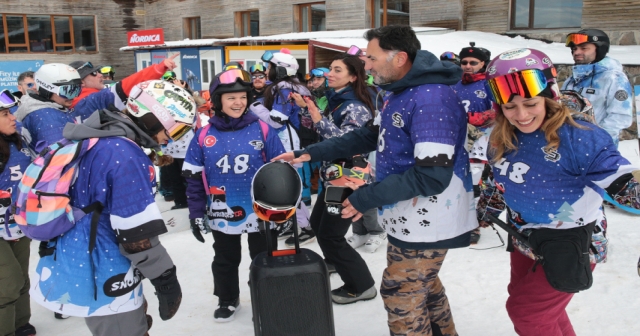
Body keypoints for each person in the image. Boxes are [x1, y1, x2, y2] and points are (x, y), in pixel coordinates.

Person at [275, 25, 473, 334]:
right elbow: (368, 135)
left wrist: (364, 196)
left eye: (371, 57)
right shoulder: (398, 93)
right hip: (409, 216)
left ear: (400, 58)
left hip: (430, 219)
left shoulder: (432, 100)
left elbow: (432, 177)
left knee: (401, 294)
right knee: (426, 286)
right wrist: (309, 153)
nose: (366, 64)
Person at [476, 47, 640, 336]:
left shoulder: (580, 136)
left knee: (526, 312)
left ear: (549, 97)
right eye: (510, 106)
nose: (521, 115)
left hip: (572, 241)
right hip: (524, 237)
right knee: (533, 304)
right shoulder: (500, 136)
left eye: (530, 103)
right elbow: (497, 178)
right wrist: (485, 211)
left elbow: (624, 183)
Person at [31, 79, 191, 336]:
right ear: (154, 118)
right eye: (178, 129)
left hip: (81, 255)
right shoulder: (125, 154)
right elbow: (136, 232)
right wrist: (165, 277)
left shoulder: (102, 136)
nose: (171, 138)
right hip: (103, 266)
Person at [182, 69, 286, 322]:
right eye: (231, 98)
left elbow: (280, 172)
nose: (238, 102)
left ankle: (264, 296)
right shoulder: (204, 135)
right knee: (225, 258)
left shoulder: (262, 129)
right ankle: (228, 299)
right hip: (222, 211)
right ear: (218, 101)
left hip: (260, 209)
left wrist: (283, 210)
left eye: (242, 96)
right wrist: (195, 213)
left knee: (263, 257)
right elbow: (193, 179)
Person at [248, 49, 313, 241]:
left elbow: (277, 120)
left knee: (287, 183)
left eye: (270, 67)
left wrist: (255, 106)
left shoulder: (285, 89)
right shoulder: (283, 86)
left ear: (281, 70)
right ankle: (292, 223)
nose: (267, 71)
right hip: (282, 138)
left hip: (286, 138)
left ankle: (306, 227)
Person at [0, 91, 36, 336]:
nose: (12, 117)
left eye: (10, 112)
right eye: (4, 114)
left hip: (18, 223)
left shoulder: (18, 138)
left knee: (21, 278)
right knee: (9, 282)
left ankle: (20, 322)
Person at [562, 29, 633, 145]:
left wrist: (595, 140)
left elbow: (621, 117)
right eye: (574, 49)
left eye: (583, 48)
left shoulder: (613, 78)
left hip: (597, 148)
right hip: (569, 145)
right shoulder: (572, 80)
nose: (576, 52)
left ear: (599, 49)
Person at [453, 42, 493, 244]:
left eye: (473, 62)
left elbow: (498, 110)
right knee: (458, 182)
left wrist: (477, 118)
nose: (468, 66)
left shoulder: (489, 83)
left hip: (480, 141)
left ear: (483, 63)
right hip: (457, 140)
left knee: (475, 185)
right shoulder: (455, 84)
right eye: (464, 62)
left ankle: (473, 225)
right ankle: (456, 219)